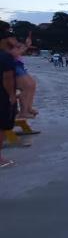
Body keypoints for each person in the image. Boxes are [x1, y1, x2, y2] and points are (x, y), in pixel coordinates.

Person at [1, 31, 20, 168]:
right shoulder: (5, 57)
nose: (15, 40)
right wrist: (12, 95)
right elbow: (7, 78)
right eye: (12, 37)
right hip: (2, 95)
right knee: (2, 126)